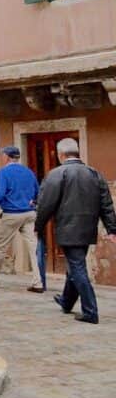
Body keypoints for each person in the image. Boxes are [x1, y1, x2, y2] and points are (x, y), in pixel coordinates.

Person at [35, 138, 116, 324]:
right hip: (88, 229)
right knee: (74, 265)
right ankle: (66, 301)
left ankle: (90, 311)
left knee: (77, 267)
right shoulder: (95, 174)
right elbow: (106, 204)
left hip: (67, 228)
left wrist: (38, 226)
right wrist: (112, 228)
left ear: (61, 154)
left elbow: (46, 204)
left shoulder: (57, 174)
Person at [0, 146, 42, 292]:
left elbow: (0, 194)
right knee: (32, 248)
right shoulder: (29, 172)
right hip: (29, 214)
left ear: (7, 157)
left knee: (1, 247)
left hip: (11, 214)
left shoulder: (3, 172)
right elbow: (38, 192)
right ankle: (38, 283)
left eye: (2, 155)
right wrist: (33, 202)